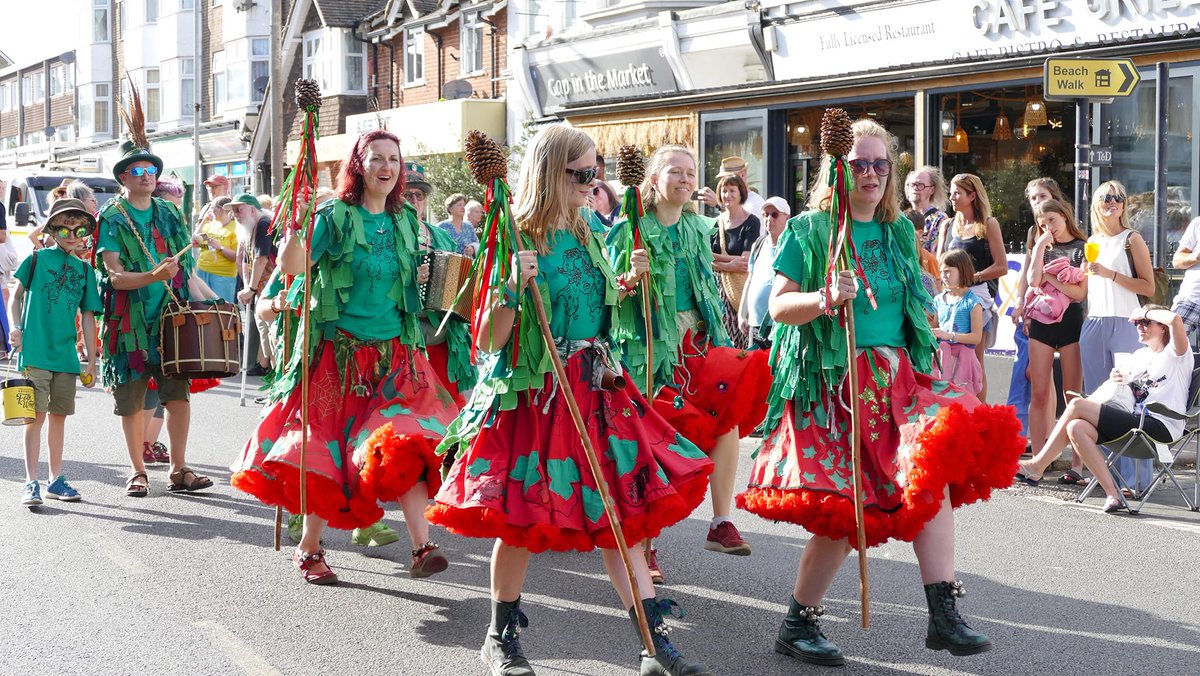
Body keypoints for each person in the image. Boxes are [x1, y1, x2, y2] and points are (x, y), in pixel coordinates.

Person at [427, 124, 713, 676]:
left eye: (595, 172)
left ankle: (654, 646)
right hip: (539, 395)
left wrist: (627, 285)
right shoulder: (515, 235)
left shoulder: (586, 234)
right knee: (522, 519)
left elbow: (597, 313)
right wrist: (511, 285)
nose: (591, 183)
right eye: (581, 174)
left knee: (621, 513)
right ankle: (501, 638)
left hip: (597, 388)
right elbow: (488, 337)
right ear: (549, 172)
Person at [737, 117, 1023, 666]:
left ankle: (942, 610)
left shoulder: (897, 233)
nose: (870, 174)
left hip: (898, 379)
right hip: (839, 385)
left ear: (891, 172)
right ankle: (798, 622)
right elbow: (776, 307)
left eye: (880, 164)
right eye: (859, 164)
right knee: (849, 518)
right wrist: (825, 297)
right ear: (837, 170)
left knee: (933, 463)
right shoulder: (809, 231)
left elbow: (914, 306)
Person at [231, 130, 459, 585]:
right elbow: (293, 267)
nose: (387, 168)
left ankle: (421, 545)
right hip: (340, 358)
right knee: (330, 457)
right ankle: (310, 547)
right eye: (376, 159)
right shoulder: (333, 215)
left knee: (408, 444)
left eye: (394, 159)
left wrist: (450, 284)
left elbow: (420, 287)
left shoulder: (407, 222)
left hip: (397, 356)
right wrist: (296, 227)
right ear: (358, 165)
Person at [607, 145, 771, 582]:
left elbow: (707, 289)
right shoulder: (628, 229)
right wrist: (628, 279)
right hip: (645, 345)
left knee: (726, 419)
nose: (684, 178)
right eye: (675, 171)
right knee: (649, 437)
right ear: (654, 180)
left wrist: (717, 336)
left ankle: (721, 522)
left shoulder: (700, 228)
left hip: (696, 340)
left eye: (690, 172)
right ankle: (645, 543)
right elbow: (607, 295)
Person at [96, 122, 219, 498]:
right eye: (138, 170)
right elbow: (114, 276)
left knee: (177, 398)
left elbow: (186, 271)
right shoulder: (111, 218)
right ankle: (137, 471)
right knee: (132, 404)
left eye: (151, 170)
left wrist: (210, 303)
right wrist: (152, 275)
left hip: (171, 322)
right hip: (128, 324)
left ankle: (179, 469)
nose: (147, 176)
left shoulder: (168, 212)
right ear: (123, 177)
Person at [1017, 305, 1193, 513]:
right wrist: (1117, 380)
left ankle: (1037, 466)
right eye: (1137, 323)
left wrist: (1141, 312)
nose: (1140, 326)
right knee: (1076, 428)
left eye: (1146, 323)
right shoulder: (1138, 356)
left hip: (1160, 426)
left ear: (1163, 328)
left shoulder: (1177, 355)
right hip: (1134, 423)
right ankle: (1113, 493)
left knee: (1075, 404)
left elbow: (1175, 320)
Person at [10, 198, 103, 506]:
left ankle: (55, 479)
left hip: (66, 357)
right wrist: (15, 327)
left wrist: (91, 359)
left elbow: (88, 316)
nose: (72, 236)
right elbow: (15, 297)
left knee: (59, 417)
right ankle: (30, 481)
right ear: (51, 230)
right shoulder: (36, 260)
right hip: (34, 352)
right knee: (34, 418)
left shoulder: (86, 271)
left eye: (79, 230)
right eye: (64, 230)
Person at [1026, 199, 1089, 484]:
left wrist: (1051, 278)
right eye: (1042, 222)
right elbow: (1032, 281)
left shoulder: (1081, 246)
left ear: (1064, 216)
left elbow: (1079, 293)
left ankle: (1078, 465)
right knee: (1039, 391)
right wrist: (1039, 247)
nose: (1047, 227)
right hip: (1042, 320)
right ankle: (1038, 461)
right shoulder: (1042, 244)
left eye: (1052, 220)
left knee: (1072, 395)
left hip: (1071, 322)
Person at [939, 174, 1006, 402]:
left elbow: (1001, 266)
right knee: (947, 361)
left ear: (972, 196)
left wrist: (972, 277)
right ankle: (953, 411)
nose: (952, 198)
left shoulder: (988, 224)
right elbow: (941, 263)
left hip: (976, 295)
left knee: (974, 362)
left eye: (957, 193)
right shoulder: (947, 225)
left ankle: (978, 412)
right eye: (951, 192)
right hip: (949, 297)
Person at [1009, 177, 1067, 441]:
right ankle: (1039, 440)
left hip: (1065, 308)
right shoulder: (1034, 232)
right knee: (1036, 376)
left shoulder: (1065, 229)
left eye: (1042, 196)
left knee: (1057, 382)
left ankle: (1053, 440)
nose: (1037, 202)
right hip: (1038, 306)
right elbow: (1028, 273)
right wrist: (1020, 303)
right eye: (1033, 198)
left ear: (1054, 197)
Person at [230, 193, 277, 376]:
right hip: (263, 288)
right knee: (267, 336)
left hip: (270, 288)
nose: (236, 214)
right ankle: (267, 369)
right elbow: (246, 260)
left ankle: (273, 378)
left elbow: (261, 259)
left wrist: (250, 288)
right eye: (234, 211)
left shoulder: (263, 224)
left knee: (271, 336)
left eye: (239, 209)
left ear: (252, 208)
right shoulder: (253, 227)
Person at [711, 173, 759, 347]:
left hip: (740, 290)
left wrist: (718, 262)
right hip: (718, 292)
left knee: (742, 341)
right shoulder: (717, 222)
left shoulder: (751, 222)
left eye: (732, 190)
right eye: (724, 191)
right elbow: (704, 257)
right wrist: (729, 264)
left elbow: (745, 262)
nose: (727, 195)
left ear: (741, 193)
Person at [739, 196, 790, 350]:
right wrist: (742, 314)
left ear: (787, 217)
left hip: (780, 325)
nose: (769, 219)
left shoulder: (792, 244)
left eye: (774, 214)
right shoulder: (759, 243)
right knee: (755, 370)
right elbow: (750, 280)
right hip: (755, 324)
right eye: (765, 215)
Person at [932, 249, 985, 395]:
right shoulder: (938, 300)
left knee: (962, 401)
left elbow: (976, 337)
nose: (944, 276)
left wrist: (950, 335)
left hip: (964, 360)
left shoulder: (973, 302)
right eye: (942, 271)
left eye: (948, 271)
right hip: (942, 357)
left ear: (962, 270)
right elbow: (936, 328)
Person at [701, 156, 765, 234]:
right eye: (723, 180)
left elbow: (739, 225)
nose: (726, 183)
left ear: (742, 175)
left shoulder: (755, 202)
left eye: (731, 179)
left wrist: (719, 205)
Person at [192, 195, 239, 301]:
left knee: (221, 309)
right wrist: (203, 221)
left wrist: (220, 247)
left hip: (223, 276)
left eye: (213, 207)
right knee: (202, 308)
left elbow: (236, 256)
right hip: (202, 271)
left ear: (222, 209)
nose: (210, 210)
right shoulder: (211, 225)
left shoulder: (234, 229)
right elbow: (195, 241)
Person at [905, 166, 949, 254]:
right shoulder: (903, 217)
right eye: (912, 184)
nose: (915, 188)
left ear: (932, 190)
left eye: (920, 185)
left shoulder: (939, 219)